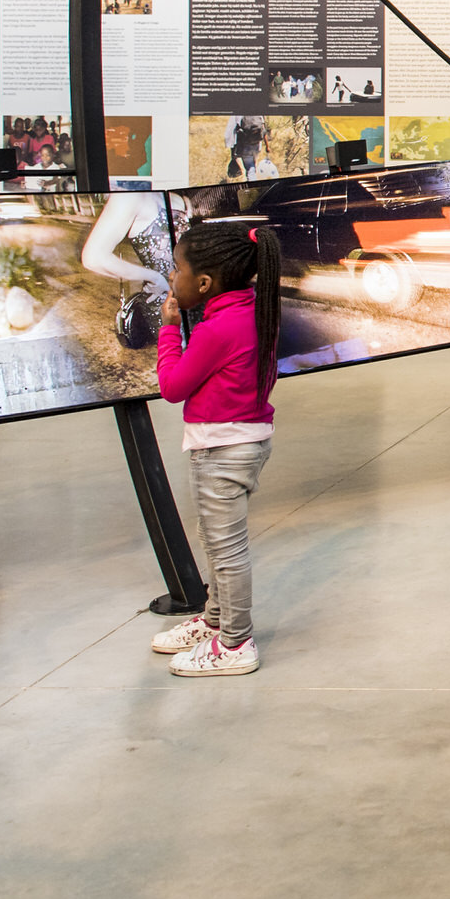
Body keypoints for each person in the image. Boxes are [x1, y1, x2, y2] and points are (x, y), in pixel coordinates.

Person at [146, 222, 284, 678]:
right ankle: (215, 619)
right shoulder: (251, 310)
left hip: (221, 449)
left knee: (226, 551)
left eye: (176, 269)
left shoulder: (216, 328)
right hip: (243, 440)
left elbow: (172, 386)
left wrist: (169, 331)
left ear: (204, 284)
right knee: (216, 540)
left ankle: (234, 643)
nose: (171, 277)